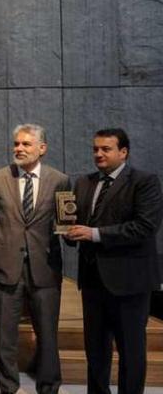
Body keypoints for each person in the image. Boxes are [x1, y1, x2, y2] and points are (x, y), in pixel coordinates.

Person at [64, 128, 163, 394]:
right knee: (95, 350)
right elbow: (77, 226)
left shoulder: (144, 181)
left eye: (106, 149)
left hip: (129, 282)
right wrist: (68, 233)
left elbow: (145, 227)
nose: (98, 154)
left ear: (123, 152)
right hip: (93, 281)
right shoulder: (84, 182)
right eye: (95, 149)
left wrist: (94, 234)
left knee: (130, 350)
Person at [0, 124, 69, 394]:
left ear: (42, 148)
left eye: (26, 144)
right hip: (6, 269)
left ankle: (49, 387)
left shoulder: (60, 180)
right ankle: (7, 388)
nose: (19, 149)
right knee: (6, 338)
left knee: (47, 336)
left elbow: (66, 223)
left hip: (45, 270)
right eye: (16, 144)